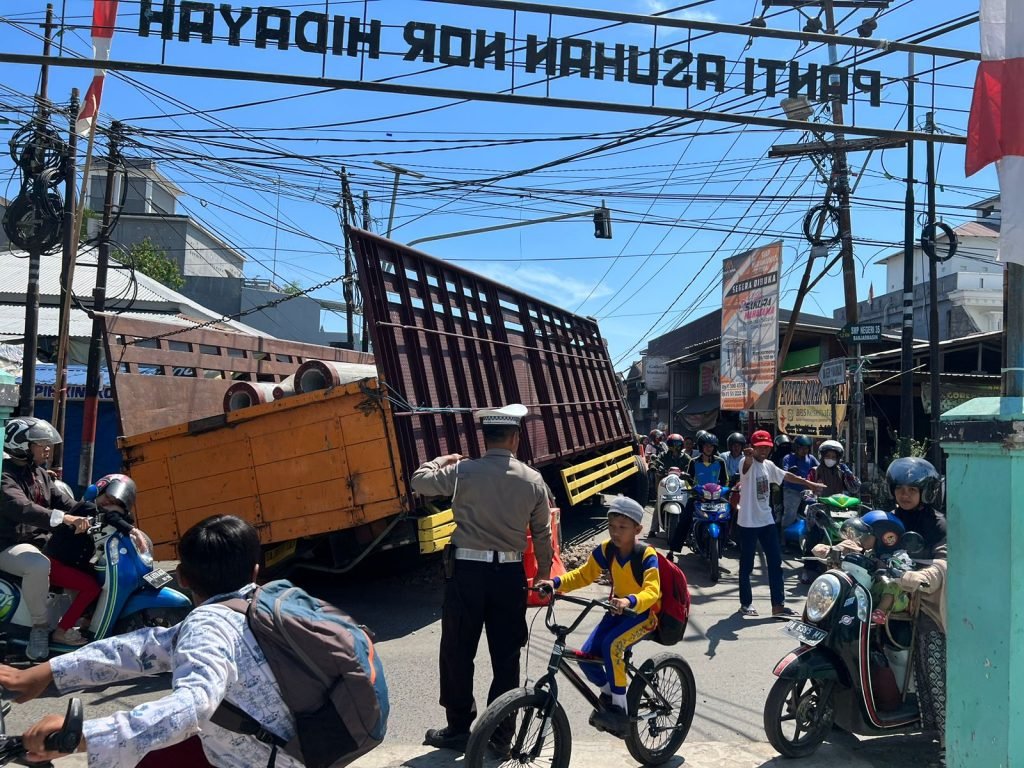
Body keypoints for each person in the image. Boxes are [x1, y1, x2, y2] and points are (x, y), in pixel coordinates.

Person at [0, 514, 302, 767]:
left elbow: (192, 707)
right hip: (289, 742)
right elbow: (144, 648)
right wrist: (48, 672)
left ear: (181, 577)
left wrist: (81, 737)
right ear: (256, 571)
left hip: (259, 757)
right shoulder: (265, 605)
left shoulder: (210, 625)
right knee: (148, 756)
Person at [410, 403, 553, 753]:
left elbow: (418, 481)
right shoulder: (532, 479)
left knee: (458, 650)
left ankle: (459, 728)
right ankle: (501, 735)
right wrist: (544, 577)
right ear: (516, 438)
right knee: (506, 656)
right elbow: (543, 535)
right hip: (509, 576)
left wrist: (443, 459)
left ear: (484, 436)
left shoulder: (463, 472)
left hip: (466, 575)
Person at [535, 497, 659, 736]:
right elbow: (584, 575)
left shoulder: (646, 554)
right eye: (611, 526)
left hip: (642, 615)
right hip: (616, 612)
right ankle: (611, 694)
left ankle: (620, 713)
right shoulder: (606, 550)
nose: (615, 532)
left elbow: (652, 591)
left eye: (622, 527)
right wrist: (554, 583)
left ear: (638, 529)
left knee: (612, 647)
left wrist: (628, 601)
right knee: (585, 656)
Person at [0, 418, 92, 659]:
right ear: (21, 445)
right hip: (9, 545)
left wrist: (104, 509)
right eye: (40, 444)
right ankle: (40, 628)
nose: (48, 448)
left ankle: (74, 621)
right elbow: (22, 508)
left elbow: (68, 503)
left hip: (39, 542)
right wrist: (64, 519)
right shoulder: (4, 474)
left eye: (47, 443)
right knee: (37, 565)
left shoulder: (40, 473)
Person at [884, 457, 947, 752]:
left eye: (912, 489)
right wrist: (836, 546)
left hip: (926, 602)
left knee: (932, 652)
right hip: (888, 595)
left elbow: (946, 562)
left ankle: (947, 738)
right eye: (900, 488)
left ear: (927, 492)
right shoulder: (888, 518)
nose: (905, 494)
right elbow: (864, 539)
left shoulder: (937, 524)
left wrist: (925, 575)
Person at [44, 474, 150, 645]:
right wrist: (133, 530)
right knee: (91, 587)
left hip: (73, 565)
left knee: (97, 581)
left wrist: (124, 518)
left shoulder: (104, 513)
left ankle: (87, 621)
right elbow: (110, 517)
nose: (109, 503)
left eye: (116, 500)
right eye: (106, 498)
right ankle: (62, 631)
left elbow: (119, 518)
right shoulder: (86, 508)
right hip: (56, 564)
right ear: (96, 493)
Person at [737, 430, 825, 618]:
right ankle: (746, 603)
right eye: (760, 447)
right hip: (747, 523)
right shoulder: (746, 463)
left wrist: (809, 484)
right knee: (747, 566)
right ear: (752, 448)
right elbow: (745, 467)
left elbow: (786, 476)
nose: (764, 451)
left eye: (767, 447)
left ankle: (778, 605)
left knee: (776, 563)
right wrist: (748, 457)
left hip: (767, 521)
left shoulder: (769, 465)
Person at [800, 440, 862, 583]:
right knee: (815, 533)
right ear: (822, 456)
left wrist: (849, 473)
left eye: (833, 456)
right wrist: (809, 496)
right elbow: (807, 487)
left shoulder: (843, 472)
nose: (830, 459)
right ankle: (808, 568)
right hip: (819, 508)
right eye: (827, 456)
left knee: (854, 534)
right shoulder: (814, 471)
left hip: (841, 509)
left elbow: (855, 489)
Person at [668, 432, 727, 560]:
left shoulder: (720, 462)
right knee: (684, 519)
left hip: (715, 496)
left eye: (711, 446)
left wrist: (724, 490)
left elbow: (724, 480)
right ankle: (673, 549)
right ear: (701, 447)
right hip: (698, 496)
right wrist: (694, 490)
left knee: (728, 512)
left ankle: (727, 540)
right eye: (706, 446)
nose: (709, 448)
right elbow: (689, 480)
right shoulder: (694, 462)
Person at [781, 435, 818, 529]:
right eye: (801, 448)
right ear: (796, 448)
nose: (804, 450)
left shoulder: (811, 458)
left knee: (813, 512)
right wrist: (790, 470)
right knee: (790, 514)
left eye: (806, 448)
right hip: (792, 490)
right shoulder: (788, 458)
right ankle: (784, 537)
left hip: (807, 491)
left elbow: (820, 468)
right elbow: (785, 472)